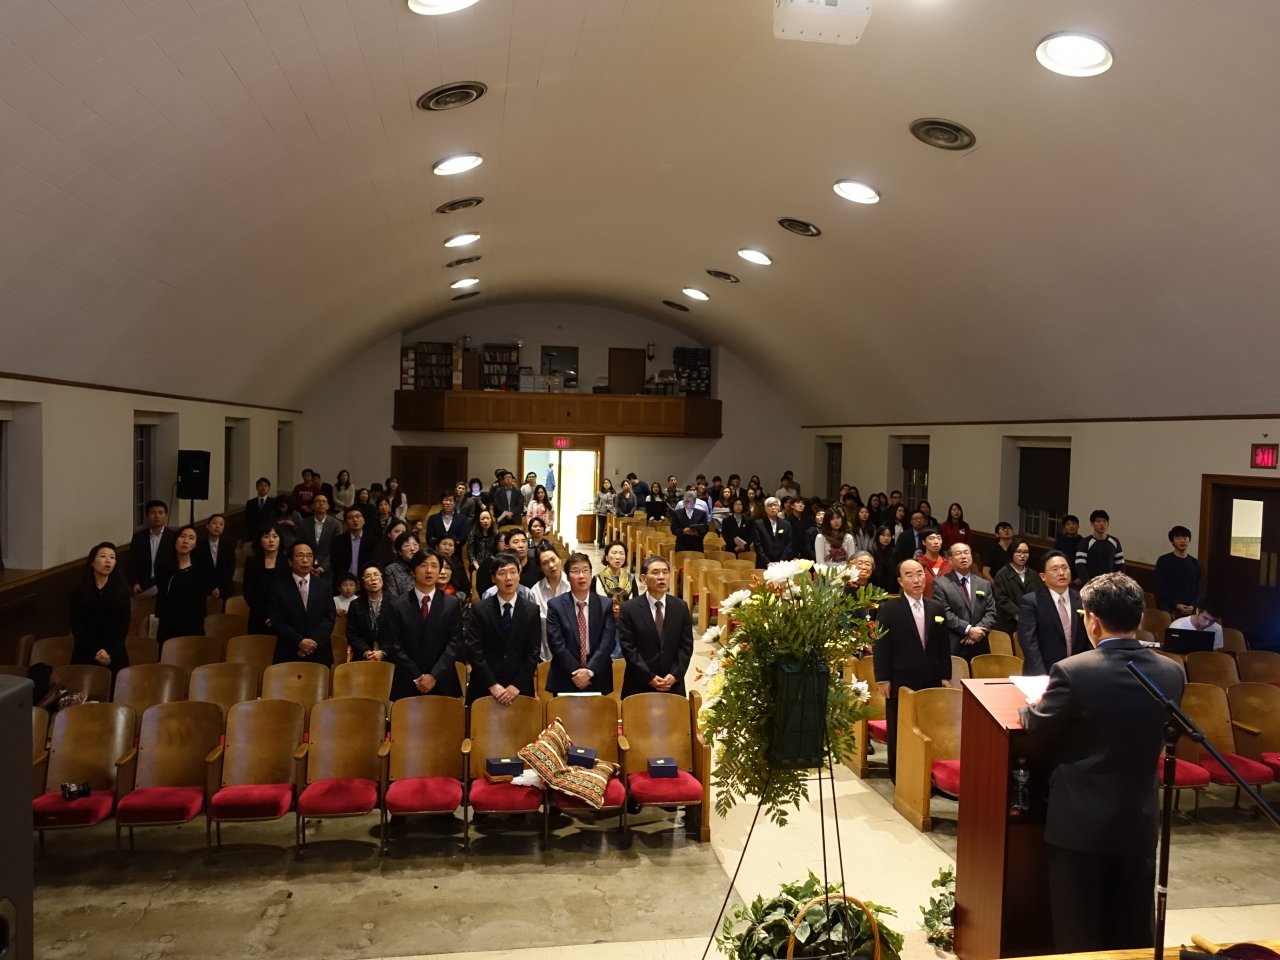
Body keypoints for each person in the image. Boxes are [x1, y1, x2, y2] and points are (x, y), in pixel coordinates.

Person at [1019, 572, 1186, 954]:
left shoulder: (1073, 671)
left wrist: (1029, 708)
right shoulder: (1171, 672)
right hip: (1138, 819)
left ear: (1092, 621)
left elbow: (1038, 725)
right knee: (1133, 930)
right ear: (1138, 617)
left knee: (1079, 932)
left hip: (1081, 824)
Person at [872, 559, 952, 781]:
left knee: (928, 726)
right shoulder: (889, 609)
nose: (916, 579)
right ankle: (899, 775)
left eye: (919, 574)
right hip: (900, 678)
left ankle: (925, 775)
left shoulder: (936, 607)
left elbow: (944, 646)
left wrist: (945, 675)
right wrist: (882, 679)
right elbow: (881, 646)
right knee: (900, 727)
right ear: (900, 581)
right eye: (909, 575)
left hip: (931, 677)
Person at [383, 549, 464, 700]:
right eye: (423, 565)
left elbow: (455, 643)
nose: (429, 570)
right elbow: (394, 645)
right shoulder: (397, 605)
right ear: (412, 571)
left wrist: (434, 676)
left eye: (434, 566)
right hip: (407, 682)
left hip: (443, 682)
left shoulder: (452, 604)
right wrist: (417, 676)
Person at [465, 552, 541, 704]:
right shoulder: (479, 609)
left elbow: (533, 652)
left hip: (519, 690)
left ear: (519, 574)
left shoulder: (532, 610)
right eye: (502, 573)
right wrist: (493, 685)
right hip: (484, 687)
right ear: (493, 578)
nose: (508, 578)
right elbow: (475, 650)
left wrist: (516, 686)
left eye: (513, 572)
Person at [617, 555, 694, 698]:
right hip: (639, 685)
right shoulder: (629, 608)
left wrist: (675, 674)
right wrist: (649, 677)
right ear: (643, 578)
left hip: (672, 685)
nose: (661, 577)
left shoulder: (680, 607)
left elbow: (686, 646)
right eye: (655, 572)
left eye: (665, 572)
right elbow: (628, 648)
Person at [546, 552, 616, 695]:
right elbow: (556, 644)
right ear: (567, 576)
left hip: (598, 674)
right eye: (575, 571)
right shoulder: (555, 605)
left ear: (591, 574)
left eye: (585, 570)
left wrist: (589, 671)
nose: (581, 576)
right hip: (566, 675)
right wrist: (577, 673)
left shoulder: (605, 604)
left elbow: (607, 642)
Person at [1018, 550, 1087, 675]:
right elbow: (1029, 643)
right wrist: (1041, 675)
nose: (1061, 573)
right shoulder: (1031, 602)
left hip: (1077, 672)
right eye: (1055, 569)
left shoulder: (1082, 599)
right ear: (1043, 576)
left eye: (1065, 568)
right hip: (1043, 673)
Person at [268, 541, 335, 666]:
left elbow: (329, 617)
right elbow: (277, 621)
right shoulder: (278, 588)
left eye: (309, 556)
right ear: (290, 561)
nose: (305, 560)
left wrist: (314, 642)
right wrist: (299, 641)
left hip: (319, 652)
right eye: (300, 556)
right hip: (289, 651)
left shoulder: (324, 586)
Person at [68, 542, 130, 675]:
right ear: (92, 562)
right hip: (85, 651)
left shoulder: (122, 591)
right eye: (103, 556)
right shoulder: (79, 591)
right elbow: (76, 625)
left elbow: (123, 626)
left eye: (112, 557)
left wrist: (108, 652)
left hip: (114, 653)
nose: (108, 561)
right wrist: (96, 652)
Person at [932, 543, 997, 661]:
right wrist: (968, 629)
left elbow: (991, 612)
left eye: (966, 553)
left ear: (971, 557)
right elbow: (944, 613)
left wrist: (978, 631)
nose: (963, 556)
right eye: (958, 553)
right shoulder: (941, 584)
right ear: (950, 560)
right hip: (955, 645)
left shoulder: (984, 584)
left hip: (980, 644)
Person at [155, 525, 205, 644]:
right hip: (167, 625)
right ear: (175, 541)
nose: (185, 541)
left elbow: (199, 604)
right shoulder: (164, 568)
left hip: (191, 625)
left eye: (191, 538)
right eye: (182, 536)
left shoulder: (200, 570)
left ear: (195, 545)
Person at [126, 499, 177, 596]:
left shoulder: (173, 537)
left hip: (166, 584)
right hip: (144, 585)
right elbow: (132, 562)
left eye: (160, 513)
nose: (157, 516)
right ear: (147, 516)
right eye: (153, 513)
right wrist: (135, 582)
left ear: (166, 516)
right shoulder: (138, 537)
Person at [242, 527, 286, 634]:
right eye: (266, 537)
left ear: (280, 540)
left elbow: (290, 592)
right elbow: (248, 592)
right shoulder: (252, 562)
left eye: (275, 536)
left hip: (283, 617)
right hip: (258, 617)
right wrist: (265, 615)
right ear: (260, 541)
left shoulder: (288, 562)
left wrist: (275, 615)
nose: (271, 540)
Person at [530, 548, 571, 657]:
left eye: (553, 560)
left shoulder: (573, 585)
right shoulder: (535, 592)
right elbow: (534, 629)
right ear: (540, 568)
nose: (551, 565)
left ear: (560, 560)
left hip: (573, 654)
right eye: (545, 563)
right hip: (546, 655)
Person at [346, 563, 389, 662]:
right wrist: (366, 652)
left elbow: (398, 634)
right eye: (368, 576)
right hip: (363, 657)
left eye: (376, 574)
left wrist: (383, 652)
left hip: (389, 658)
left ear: (382, 578)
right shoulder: (355, 605)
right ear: (363, 583)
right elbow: (351, 634)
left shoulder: (394, 603)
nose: (373, 578)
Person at [992, 538, 1037, 634]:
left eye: (1026, 552)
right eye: (1018, 552)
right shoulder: (1002, 574)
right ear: (1011, 553)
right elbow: (1001, 599)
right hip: (1008, 624)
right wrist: (1018, 614)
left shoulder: (1033, 574)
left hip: (1030, 622)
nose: (1022, 555)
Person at [1155, 525, 1201, 617]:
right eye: (1178, 538)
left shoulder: (1195, 563)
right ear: (1172, 541)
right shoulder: (1164, 561)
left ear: (1189, 540)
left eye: (1185, 537)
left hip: (1190, 609)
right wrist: (1176, 605)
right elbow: (1160, 588)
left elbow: (1198, 588)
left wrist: (1193, 606)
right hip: (1169, 609)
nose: (1182, 541)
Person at [331, 508, 379, 588]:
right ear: (345, 523)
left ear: (364, 520)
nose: (355, 520)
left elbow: (374, 563)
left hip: (366, 582)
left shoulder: (373, 541)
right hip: (344, 583)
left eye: (358, 516)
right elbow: (335, 564)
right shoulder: (338, 541)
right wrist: (347, 581)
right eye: (350, 518)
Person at [1074, 509, 1125, 583]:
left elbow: (1120, 565)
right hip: (1091, 583)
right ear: (1092, 524)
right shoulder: (1085, 542)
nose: (1102, 524)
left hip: (1110, 583)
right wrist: (1088, 583)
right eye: (1098, 521)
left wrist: (1120, 583)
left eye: (1104, 521)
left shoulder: (1115, 541)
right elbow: (1080, 565)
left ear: (1108, 523)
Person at [297, 494, 341, 578]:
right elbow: (300, 545)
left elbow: (336, 549)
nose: (321, 503)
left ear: (328, 506)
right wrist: (309, 565)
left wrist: (322, 568)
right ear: (312, 506)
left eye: (324, 501)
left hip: (327, 567)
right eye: (318, 501)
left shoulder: (336, 524)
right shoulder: (303, 523)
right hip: (306, 566)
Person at [196, 513, 236, 601]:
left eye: (221, 524)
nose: (218, 526)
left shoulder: (229, 546)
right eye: (214, 523)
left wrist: (219, 588)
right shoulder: (199, 546)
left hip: (224, 588)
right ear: (207, 526)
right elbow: (199, 570)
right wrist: (211, 588)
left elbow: (230, 569)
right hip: (204, 588)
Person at [752, 497, 793, 568]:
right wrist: (767, 562)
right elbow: (757, 545)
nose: (773, 508)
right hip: (764, 564)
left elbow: (789, 544)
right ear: (765, 509)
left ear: (779, 508)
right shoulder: (759, 524)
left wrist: (781, 561)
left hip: (782, 564)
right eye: (770, 506)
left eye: (775, 505)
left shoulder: (786, 524)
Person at [382, 531, 420, 598]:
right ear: (399, 551)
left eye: (415, 544)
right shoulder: (391, 570)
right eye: (406, 545)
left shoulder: (424, 567)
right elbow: (393, 598)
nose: (412, 548)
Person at [916, 530, 951, 598]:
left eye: (939, 538)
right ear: (924, 542)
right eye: (931, 538)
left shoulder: (949, 564)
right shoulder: (917, 563)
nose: (936, 542)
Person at [466, 509, 498, 581]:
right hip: (476, 564)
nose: (485, 521)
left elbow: (498, 550)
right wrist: (476, 565)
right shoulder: (473, 533)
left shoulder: (496, 533)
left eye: (487, 518)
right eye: (482, 519)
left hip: (492, 563)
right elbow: (470, 551)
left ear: (491, 519)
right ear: (479, 520)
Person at [869, 525, 899, 594]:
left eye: (889, 535)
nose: (886, 538)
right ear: (878, 536)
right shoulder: (871, 552)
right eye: (883, 535)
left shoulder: (895, 552)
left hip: (892, 589)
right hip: (875, 588)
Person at [594, 478, 616, 548]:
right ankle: (600, 543)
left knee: (610, 528)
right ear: (603, 485)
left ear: (610, 484)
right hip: (602, 512)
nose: (606, 484)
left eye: (608, 483)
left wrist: (614, 510)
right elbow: (596, 502)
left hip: (611, 513)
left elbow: (615, 503)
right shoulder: (599, 493)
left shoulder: (613, 493)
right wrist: (595, 509)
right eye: (605, 483)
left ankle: (610, 543)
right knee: (601, 528)